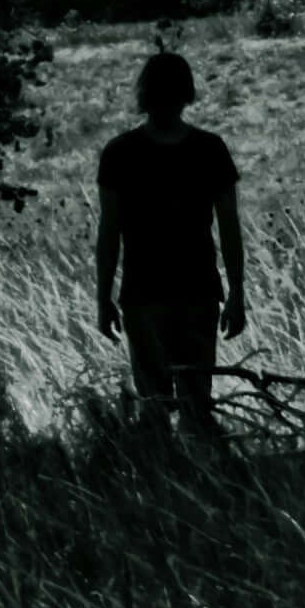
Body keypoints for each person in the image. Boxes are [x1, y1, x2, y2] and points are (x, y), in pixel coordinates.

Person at [97, 47, 244, 430]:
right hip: (195, 292)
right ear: (186, 93)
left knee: (155, 405)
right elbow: (229, 228)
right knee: (196, 404)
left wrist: (103, 298)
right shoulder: (209, 149)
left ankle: (159, 464)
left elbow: (109, 233)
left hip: (145, 295)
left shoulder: (120, 153)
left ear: (144, 93)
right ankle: (199, 463)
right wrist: (236, 293)